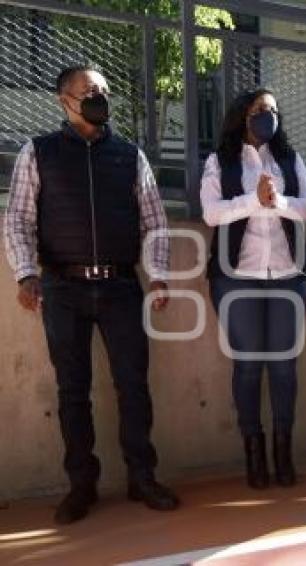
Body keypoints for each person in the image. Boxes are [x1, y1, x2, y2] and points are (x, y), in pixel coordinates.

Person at [3, 65, 179, 524]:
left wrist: (158, 274)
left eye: (103, 89)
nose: (99, 97)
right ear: (65, 100)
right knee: (72, 391)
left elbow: (154, 221)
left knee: (134, 387)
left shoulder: (130, 155)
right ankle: (81, 485)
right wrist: (25, 274)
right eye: (89, 92)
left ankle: (143, 478)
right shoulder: (38, 152)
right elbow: (18, 219)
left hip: (121, 286)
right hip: (62, 288)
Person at [201, 88, 306, 489]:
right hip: (237, 276)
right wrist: (255, 200)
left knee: (284, 367)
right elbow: (212, 213)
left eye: (272, 110)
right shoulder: (220, 161)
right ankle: (254, 452)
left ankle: (284, 452)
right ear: (241, 117)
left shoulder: (290, 158)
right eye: (258, 110)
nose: (267, 116)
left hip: (288, 275)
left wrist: (278, 201)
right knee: (248, 367)